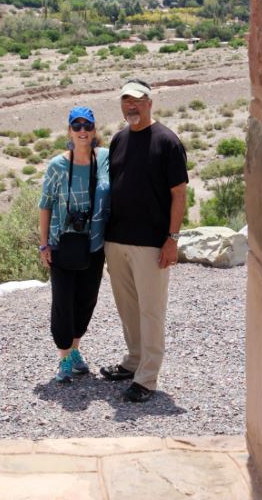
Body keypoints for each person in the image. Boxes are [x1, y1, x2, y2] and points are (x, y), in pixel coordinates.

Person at [101, 79, 188, 402]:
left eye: (137, 100)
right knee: (128, 308)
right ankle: (134, 360)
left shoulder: (167, 142)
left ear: (150, 102)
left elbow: (179, 194)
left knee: (151, 311)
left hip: (152, 242)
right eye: (126, 101)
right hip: (117, 240)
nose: (131, 106)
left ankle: (147, 378)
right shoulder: (119, 140)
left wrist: (172, 239)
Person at [39, 106, 109, 384]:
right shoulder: (57, 166)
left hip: (93, 244)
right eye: (76, 126)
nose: (82, 131)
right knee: (63, 302)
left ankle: (75, 350)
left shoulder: (102, 160)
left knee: (86, 300)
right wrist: (44, 245)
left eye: (87, 126)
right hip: (62, 243)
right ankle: (64, 357)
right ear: (69, 131)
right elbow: (45, 206)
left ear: (94, 131)